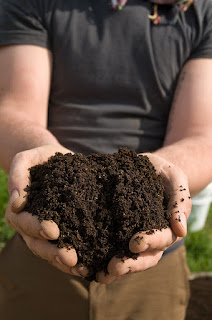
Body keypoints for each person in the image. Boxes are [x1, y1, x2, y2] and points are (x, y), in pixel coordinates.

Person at [0, 0, 212, 319]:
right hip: (43, 244)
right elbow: (13, 109)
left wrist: (159, 179)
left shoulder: (201, 10)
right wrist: (43, 158)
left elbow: (201, 134)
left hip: (154, 257)